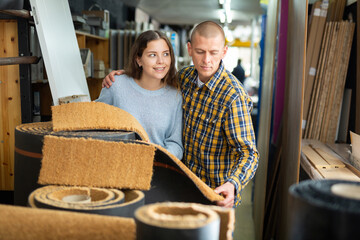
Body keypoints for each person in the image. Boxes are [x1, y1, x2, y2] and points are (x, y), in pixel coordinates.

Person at [103, 21, 259, 208]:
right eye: (200, 52)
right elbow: (154, 79)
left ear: (224, 52)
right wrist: (124, 76)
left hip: (214, 195)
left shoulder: (233, 97)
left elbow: (249, 153)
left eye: (213, 52)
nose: (206, 60)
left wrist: (233, 184)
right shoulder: (184, 78)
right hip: (180, 188)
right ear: (190, 49)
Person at [95, 30, 183, 160]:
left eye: (165, 54)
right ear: (138, 60)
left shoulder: (175, 97)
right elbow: (93, 122)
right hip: (116, 165)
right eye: (152, 55)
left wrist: (153, 157)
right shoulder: (116, 85)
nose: (161, 61)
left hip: (155, 169)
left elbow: (176, 144)